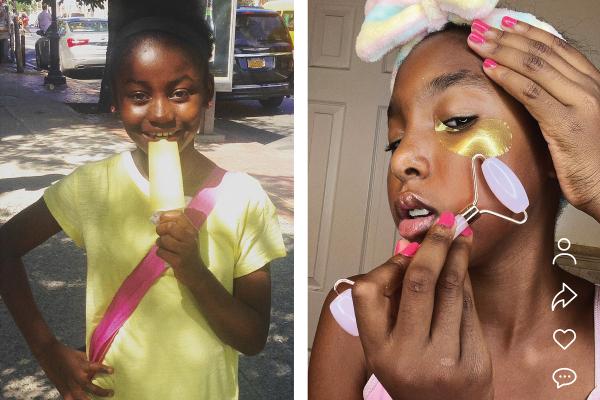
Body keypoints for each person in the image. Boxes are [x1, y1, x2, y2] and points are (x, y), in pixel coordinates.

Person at [308, 2, 600, 399]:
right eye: (394, 140)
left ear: (555, 150)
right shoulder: (355, 314)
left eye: (458, 120)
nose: (403, 158)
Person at [0, 13, 286, 400]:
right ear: (116, 101)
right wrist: (47, 351)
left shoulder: (245, 200)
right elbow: (6, 246)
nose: (161, 114)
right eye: (138, 95)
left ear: (208, 94)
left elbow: (252, 339)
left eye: (181, 92)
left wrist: (194, 271)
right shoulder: (93, 186)